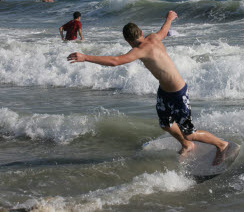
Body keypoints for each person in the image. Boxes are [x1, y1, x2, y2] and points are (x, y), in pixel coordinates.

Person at [67, 11, 229, 165]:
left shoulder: (139, 50)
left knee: (190, 133)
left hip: (179, 92)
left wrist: (86, 57)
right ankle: (187, 145)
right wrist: (170, 18)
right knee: (165, 124)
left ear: (127, 40)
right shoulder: (153, 38)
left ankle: (221, 145)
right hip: (164, 91)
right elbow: (164, 31)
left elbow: (115, 61)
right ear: (141, 32)